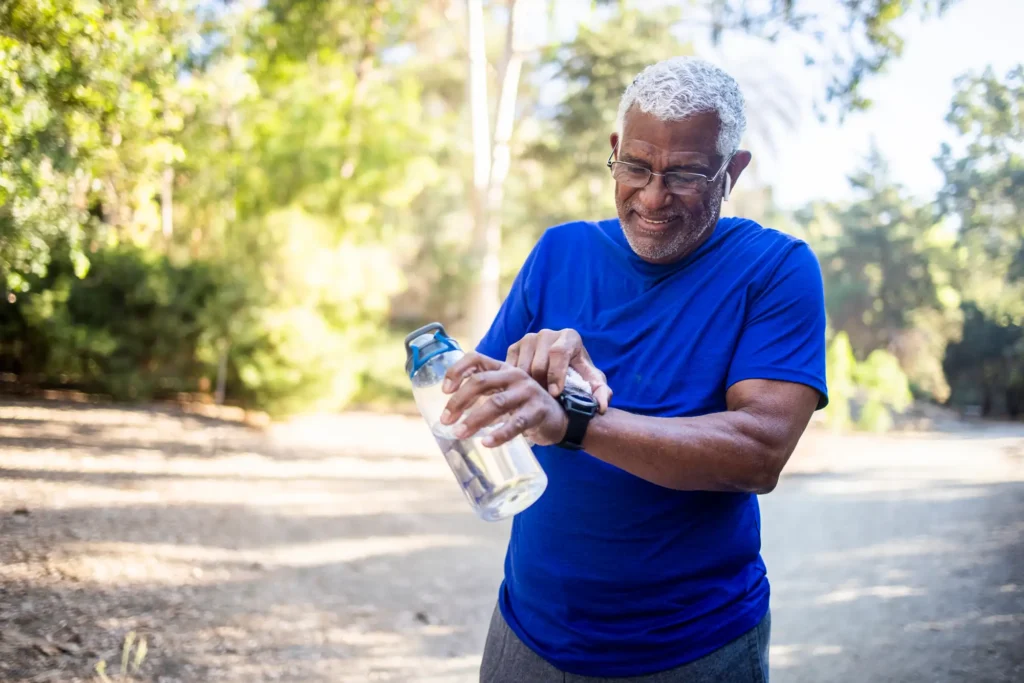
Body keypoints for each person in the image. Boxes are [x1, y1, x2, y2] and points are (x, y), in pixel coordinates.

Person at [439, 56, 828, 682]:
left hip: (694, 647)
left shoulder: (776, 269)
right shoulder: (560, 250)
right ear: (614, 151)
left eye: (685, 175)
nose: (652, 197)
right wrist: (510, 377)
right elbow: (472, 404)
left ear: (733, 172)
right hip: (527, 632)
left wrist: (575, 420)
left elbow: (758, 452)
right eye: (637, 167)